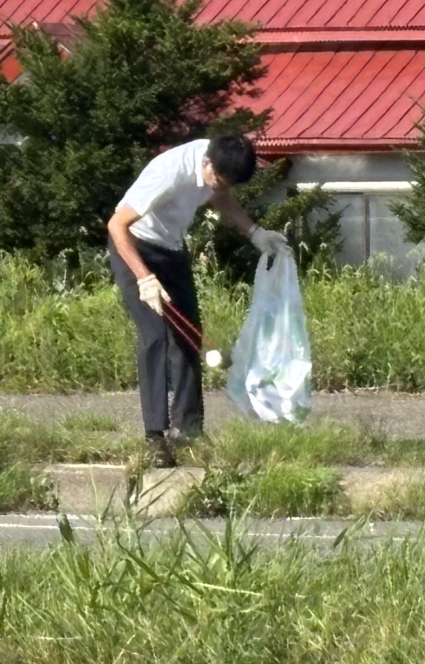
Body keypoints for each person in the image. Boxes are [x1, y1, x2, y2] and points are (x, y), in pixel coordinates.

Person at [107, 133, 290, 467]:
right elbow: (117, 225)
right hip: (135, 246)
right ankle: (154, 437)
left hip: (172, 250)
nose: (221, 187)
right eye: (220, 180)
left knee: (189, 336)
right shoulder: (170, 173)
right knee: (155, 337)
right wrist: (144, 278)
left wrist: (254, 232)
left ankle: (189, 431)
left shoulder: (218, 164)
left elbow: (219, 197)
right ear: (207, 163)